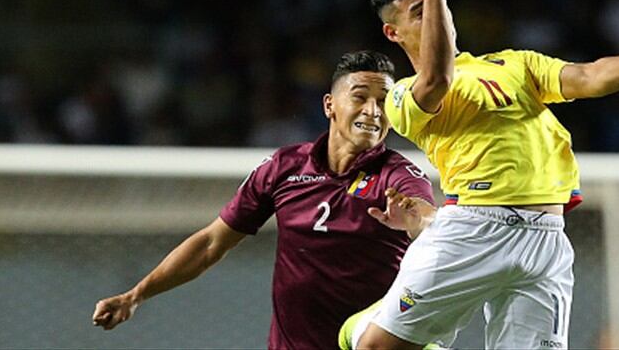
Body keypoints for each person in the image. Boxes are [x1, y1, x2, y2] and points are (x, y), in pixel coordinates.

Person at [356, 0, 619, 350]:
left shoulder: (514, 64)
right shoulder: (401, 95)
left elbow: (590, 77)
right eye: (418, 12)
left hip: (547, 238)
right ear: (393, 33)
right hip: (474, 230)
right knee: (376, 347)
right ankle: (358, 327)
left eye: (436, 6)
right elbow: (438, 77)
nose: (432, 13)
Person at [92, 50, 436, 350]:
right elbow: (212, 243)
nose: (374, 111)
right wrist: (135, 295)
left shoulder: (399, 178)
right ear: (329, 105)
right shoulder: (284, 168)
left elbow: (430, 222)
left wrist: (420, 222)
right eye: (361, 97)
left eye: (384, 101)